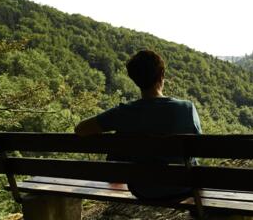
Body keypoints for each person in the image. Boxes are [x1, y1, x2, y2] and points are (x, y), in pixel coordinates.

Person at [75, 49, 201, 199]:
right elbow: (198, 148)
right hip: (183, 187)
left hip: (143, 189)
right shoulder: (186, 108)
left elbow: (80, 129)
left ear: (135, 79)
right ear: (161, 75)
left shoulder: (123, 113)